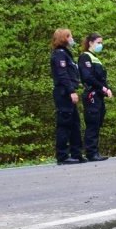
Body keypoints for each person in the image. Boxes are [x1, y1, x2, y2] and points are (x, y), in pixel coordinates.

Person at [49, 28, 84, 164]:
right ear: (63, 38)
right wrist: (71, 91)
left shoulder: (66, 54)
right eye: (69, 36)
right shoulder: (59, 55)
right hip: (64, 93)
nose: (72, 39)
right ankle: (62, 156)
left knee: (75, 124)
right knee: (64, 124)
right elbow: (62, 75)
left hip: (69, 92)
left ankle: (77, 154)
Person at [77, 32, 113, 162]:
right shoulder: (85, 57)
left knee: (97, 123)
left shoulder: (95, 58)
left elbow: (100, 78)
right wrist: (102, 88)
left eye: (101, 43)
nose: (100, 45)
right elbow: (88, 77)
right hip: (92, 94)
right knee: (92, 123)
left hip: (98, 95)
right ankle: (91, 153)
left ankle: (94, 151)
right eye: (98, 42)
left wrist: (107, 88)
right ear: (90, 43)